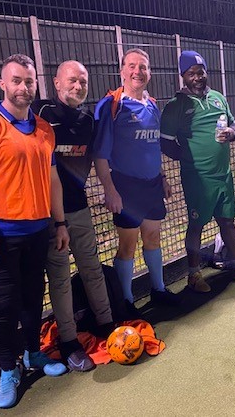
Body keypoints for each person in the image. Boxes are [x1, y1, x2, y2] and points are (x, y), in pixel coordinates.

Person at [0, 60, 117, 372]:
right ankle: (57, 347)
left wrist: (104, 190)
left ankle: (106, 327)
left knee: (80, 275)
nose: (78, 87)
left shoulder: (78, 121)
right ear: (55, 84)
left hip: (64, 216)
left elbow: (77, 167)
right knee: (39, 288)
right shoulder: (39, 115)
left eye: (83, 82)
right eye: (71, 80)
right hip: (24, 225)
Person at [0, 54, 69, 409]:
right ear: (2, 84)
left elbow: (52, 181)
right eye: (16, 80)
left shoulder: (44, 128)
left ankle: (33, 353)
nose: (24, 87)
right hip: (0, 236)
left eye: (29, 81)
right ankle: (8, 368)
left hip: (38, 232)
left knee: (34, 297)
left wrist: (60, 222)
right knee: (3, 308)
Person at [161, 50, 235, 292]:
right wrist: (189, 159)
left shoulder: (218, 98)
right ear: (183, 76)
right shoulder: (176, 106)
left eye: (200, 72)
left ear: (206, 72)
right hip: (198, 179)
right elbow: (165, 143)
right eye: (191, 73)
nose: (197, 77)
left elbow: (233, 125)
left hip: (223, 174)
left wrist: (233, 133)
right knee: (197, 225)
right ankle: (194, 275)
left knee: (227, 221)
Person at [93, 48, 179, 310]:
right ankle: (126, 302)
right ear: (122, 71)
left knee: (153, 237)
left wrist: (162, 177)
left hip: (152, 185)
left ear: (149, 73)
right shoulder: (111, 105)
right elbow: (100, 154)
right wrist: (110, 189)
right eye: (132, 66)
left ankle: (159, 289)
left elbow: (153, 147)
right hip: (126, 186)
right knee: (127, 245)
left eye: (142, 67)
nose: (137, 72)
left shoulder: (152, 105)